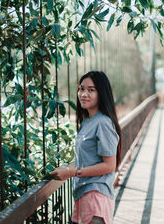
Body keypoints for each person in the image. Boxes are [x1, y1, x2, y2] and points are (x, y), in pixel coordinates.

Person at [50, 71, 122, 224]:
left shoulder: (103, 122)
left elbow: (110, 166)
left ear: (101, 93)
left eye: (91, 90)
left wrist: (71, 173)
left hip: (95, 196)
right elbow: (84, 160)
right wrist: (64, 169)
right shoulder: (87, 122)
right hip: (83, 194)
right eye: (81, 89)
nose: (83, 94)